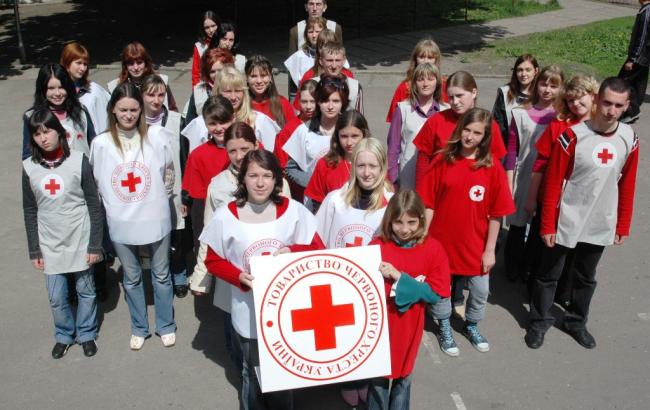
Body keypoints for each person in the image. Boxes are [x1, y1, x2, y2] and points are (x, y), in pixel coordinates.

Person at [201, 149, 323, 410]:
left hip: (288, 312)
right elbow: (212, 260)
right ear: (242, 179)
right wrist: (238, 276)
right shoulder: (226, 215)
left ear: (277, 179)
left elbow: (318, 249)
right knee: (251, 372)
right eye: (253, 175)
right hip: (248, 310)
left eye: (267, 175)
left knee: (282, 374)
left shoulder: (294, 211)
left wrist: (293, 250)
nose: (260, 182)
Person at [525, 78, 639, 350]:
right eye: (607, 103)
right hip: (567, 219)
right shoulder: (572, 136)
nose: (611, 110)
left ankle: (576, 322)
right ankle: (539, 322)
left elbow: (627, 183)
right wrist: (548, 224)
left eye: (618, 106)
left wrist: (622, 224)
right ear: (597, 100)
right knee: (549, 274)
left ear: (627, 106)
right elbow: (553, 182)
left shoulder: (629, 138)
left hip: (600, 221)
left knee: (586, 277)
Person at [191, 123, 291, 363]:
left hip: (272, 270)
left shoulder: (277, 181)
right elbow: (210, 235)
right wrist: (201, 276)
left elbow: (290, 227)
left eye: (245, 149)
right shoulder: (218, 185)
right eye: (232, 151)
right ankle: (243, 373)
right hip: (235, 275)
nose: (239, 156)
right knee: (237, 339)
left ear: (256, 145)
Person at [418, 108, 514, 356]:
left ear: (485, 137)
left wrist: (490, 250)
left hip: (475, 244)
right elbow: (428, 203)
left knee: (480, 290)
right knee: (441, 288)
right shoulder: (443, 160)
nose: (470, 137)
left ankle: (471, 325)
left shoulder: (492, 167)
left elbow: (497, 214)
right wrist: (424, 236)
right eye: (466, 130)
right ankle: (444, 324)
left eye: (477, 133)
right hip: (442, 240)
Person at [89, 82, 177, 350]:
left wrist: (155, 200)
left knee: (161, 274)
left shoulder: (157, 136)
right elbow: (97, 182)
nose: (128, 115)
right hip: (121, 221)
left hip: (155, 217)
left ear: (141, 110)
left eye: (134, 110)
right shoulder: (101, 143)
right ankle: (139, 327)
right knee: (132, 276)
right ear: (113, 110)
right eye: (123, 110)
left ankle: (165, 324)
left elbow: (169, 174)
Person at [315, 137, 393, 407]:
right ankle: (348, 380)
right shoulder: (335, 200)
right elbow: (318, 238)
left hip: (373, 287)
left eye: (373, 166)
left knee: (368, 335)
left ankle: (365, 378)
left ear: (382, 167)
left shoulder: (391, 204)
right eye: (361, 166)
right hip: (339, 284)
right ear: (353, 167)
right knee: (344, 335)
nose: (367, 172)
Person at [22, 108, 103, 359]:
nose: (43, 138)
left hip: (79, 234)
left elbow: (94, 204)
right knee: (57, 296)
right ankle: (64, 334)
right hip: (50, 241)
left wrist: (95, 244)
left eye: (47, 131)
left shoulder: (78, 161)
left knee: (86, 290)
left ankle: (86, 333)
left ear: (60, 132)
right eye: (37, 134)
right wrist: (34, 249)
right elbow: (30, 210)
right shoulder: (29, 167)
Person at [368, 190, 450, 410]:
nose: (405, 229)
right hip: (379, 327)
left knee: (403, 379)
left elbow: (436, 292)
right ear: (389, 220)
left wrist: (400, 278)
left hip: (409, 327)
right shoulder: (376, 247)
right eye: (398, 222)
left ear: (421, 219)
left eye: (411, 222)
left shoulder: (433, 249)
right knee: (378, 380)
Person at [529, 74, 599, 305]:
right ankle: (536, 294)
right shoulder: (559, 125)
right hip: (553, 199)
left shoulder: (601, 127)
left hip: (584, 201)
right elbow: (540, 164)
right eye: (570, 100)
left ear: (593, 96)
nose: (575, 104)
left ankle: (564, 294)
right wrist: (532, 197)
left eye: (580, 98)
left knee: (576, 253)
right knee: (546, 251)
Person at [504, 65, 563, 283]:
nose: (547, 89)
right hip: (525, 176)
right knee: (517, 224)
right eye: (544, 84)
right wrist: (509, 181)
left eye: (553, 86)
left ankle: (530, 267)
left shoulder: (562, 117)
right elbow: (512, 150)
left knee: (540, 225)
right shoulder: (520, 114)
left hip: (550, 178)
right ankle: (512, 266)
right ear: (536, 84)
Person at [413, 70, 506, 195]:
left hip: (475, 194)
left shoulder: (488, 124)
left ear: (474, 92)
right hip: (440, 192)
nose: (455, 102)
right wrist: (420, 195)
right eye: (451, 97)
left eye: (459, 95)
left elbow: (496, 163)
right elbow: (423, 161)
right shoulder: (436, 121)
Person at [142, 75, 188, 298]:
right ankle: (159, 275)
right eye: (151, 94)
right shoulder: (134, 121)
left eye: (161, 94)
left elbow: (185, 157)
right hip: (146, 191)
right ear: (141, 95)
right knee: (154, 235)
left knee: (177, 234)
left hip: (174, 189)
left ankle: (179, 273)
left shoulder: (177, 121)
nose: (156, 100)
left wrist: (185, 195)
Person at [182, 96, 235, 262]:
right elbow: (198, 202)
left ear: (233, 119)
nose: (219, 128)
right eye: (213, 123)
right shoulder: (198, 155)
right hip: (211, 218)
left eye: (224, 122)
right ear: (205, 123)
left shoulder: (246, 147)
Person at [283, 75, 348, 201]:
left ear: (343, 103)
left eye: (336, 101)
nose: (330, 106)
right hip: (313, 202)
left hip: (344, 199)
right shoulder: (303, 131)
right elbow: (291, 168)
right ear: (318, 101)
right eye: (325, 101)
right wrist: (315, 182)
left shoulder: (350, 130)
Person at [387, 62, 447, 189]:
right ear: (414, 83)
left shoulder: (446, 111)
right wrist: (393, 180)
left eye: (430, 79)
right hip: (407, 177)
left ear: (437, 82)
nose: (425, 84)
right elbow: (393, 148)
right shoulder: (403, 109)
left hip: (437, 177)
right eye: (420, 79)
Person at [22, 63, 96, 160]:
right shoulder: (31, 116)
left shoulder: (81, 111)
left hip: (83, 168)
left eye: (61, 87)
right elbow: (28, 156)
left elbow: (94, 146)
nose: (57, 93)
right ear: (42, 90)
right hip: (51, 170)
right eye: (51, 88)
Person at [305, 109, 369, 211]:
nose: (349, 142)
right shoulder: (325, 164)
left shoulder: (375, 163)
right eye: (344, 136)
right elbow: (317, 203)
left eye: (354, 136)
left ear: (364, 135)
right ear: (337, 136)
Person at [386, 38, 447, 123]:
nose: (425, 61)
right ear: (415, 59)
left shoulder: (444, 84)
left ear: (436, 61)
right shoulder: (405, 86)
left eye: (430, 57)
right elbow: (395, 121)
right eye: (421, 57)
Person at [107, 41, 178, 112]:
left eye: (139, 62)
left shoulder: (161, 81)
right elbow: (110, 113)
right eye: (131, 63)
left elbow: (173, 109)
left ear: (146, 63)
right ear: (125, 65)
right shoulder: (115, 86)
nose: (135, 68)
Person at [294, 41, 361, 112]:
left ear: (344, 60)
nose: (334, 66)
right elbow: (299, 112)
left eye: (337, 60)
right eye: (329, 60)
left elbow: (359, 116)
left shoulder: (355, 86)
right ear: (321, 61)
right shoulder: (312, 85)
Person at [60, 42, 111, 134]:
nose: (83, 68)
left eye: (85, 64)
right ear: (67, 63)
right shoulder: (56, 92)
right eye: (78, 63)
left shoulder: (94, 89)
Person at [492, 54, 539, 146]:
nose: (523, 74)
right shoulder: (505, 92)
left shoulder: (542, 93)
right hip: (509, 147)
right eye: (520, 70)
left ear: (535, 71)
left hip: (533, 147)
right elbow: (497, 124)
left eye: (528, 70)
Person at [184, 47, 235, 126]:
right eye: (212, 71)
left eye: (220, 70)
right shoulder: (199, 91)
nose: (217, 75)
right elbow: (190, 121)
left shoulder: (236, 88)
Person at [618, 0, 650, 124]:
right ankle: (634, 111)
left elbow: (642, 37)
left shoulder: (646, 12)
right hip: (645, 56)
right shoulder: (646, 10)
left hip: (640, 56)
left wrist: (633, 59)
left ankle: (633, 111)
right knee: (639, 83)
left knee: (623, 82)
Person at [245, 55, 297, 129]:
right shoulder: (242, 104)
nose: (259, 81)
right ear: (246, 78)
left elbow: (294, 131)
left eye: (263, 75)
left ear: (270, 77)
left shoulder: (283, 103)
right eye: (253, 76)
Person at [285, 16, 325, 100]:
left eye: (317, 31)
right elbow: (294, 91)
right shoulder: (298, 57)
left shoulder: (334, 56)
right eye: (310, 32)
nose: (314, 35)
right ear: (306, 35)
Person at [191, 10, 220, 88]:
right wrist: (196, 91)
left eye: (213, 26)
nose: (211, 30)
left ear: (218, 25)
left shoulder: (225, 42)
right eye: (207, 27)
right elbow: (195, 73)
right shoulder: (199, 46)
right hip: (205, 87)